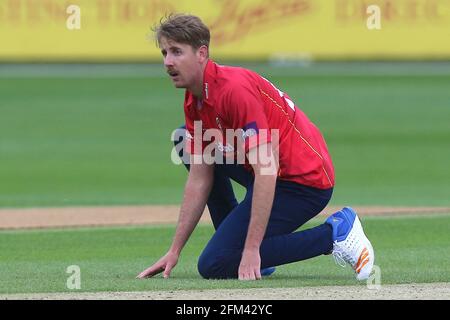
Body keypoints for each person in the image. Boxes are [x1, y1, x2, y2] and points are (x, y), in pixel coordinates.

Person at [137, 14, 374, 281]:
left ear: (201, 53)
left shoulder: (233, 91)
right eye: (165, 52)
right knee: (185, 139)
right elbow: (200, 177)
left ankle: (334, 234)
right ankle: (247, 251)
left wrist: (251, 249)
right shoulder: (195, 99)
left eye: (177, 52)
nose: (168, 62)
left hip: (303, 183)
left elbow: (267, 169)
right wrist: (174, 251)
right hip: (267, 171)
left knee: (216, 263)